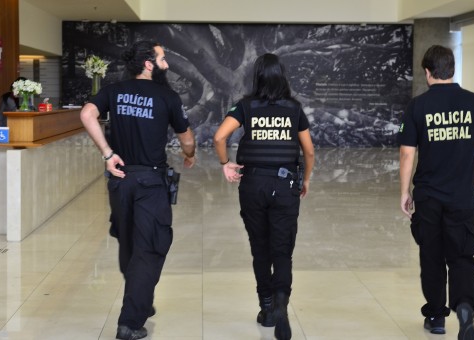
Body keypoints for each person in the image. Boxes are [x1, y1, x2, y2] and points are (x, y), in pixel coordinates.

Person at [80, 40, 196, 340]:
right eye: (162, 59)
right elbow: (186, 138)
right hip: (150, 182)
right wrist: (190, 153)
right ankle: (130, 322)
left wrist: (107, 153)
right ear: (148, 64)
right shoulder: (167, 96)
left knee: (128, 242)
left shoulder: (113, 92)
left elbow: (86, 115)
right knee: (151, 246)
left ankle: (140, 298)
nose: (166, 64)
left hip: (119, 180)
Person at [398, 45, 474, 340]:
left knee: (432, 256)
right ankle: (465, 309)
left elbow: (406, 154)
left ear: (427, 72)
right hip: (462, 197)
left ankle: (437, 317)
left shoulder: (418, 106)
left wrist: (405, 191)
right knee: (463, 256)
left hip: (428, 197)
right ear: (452, 69)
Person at [213, 53, 315, 340]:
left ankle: (267, 307)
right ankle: (281, 302)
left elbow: (220, 137)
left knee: (260, 248)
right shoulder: (294, 109)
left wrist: (225, 164)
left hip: (253, 185)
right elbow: (308, 151)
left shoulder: (246, 106)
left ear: (256, 76)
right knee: (282, 251)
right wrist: (305, 179)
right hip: (285, 187)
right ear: (282, 76)